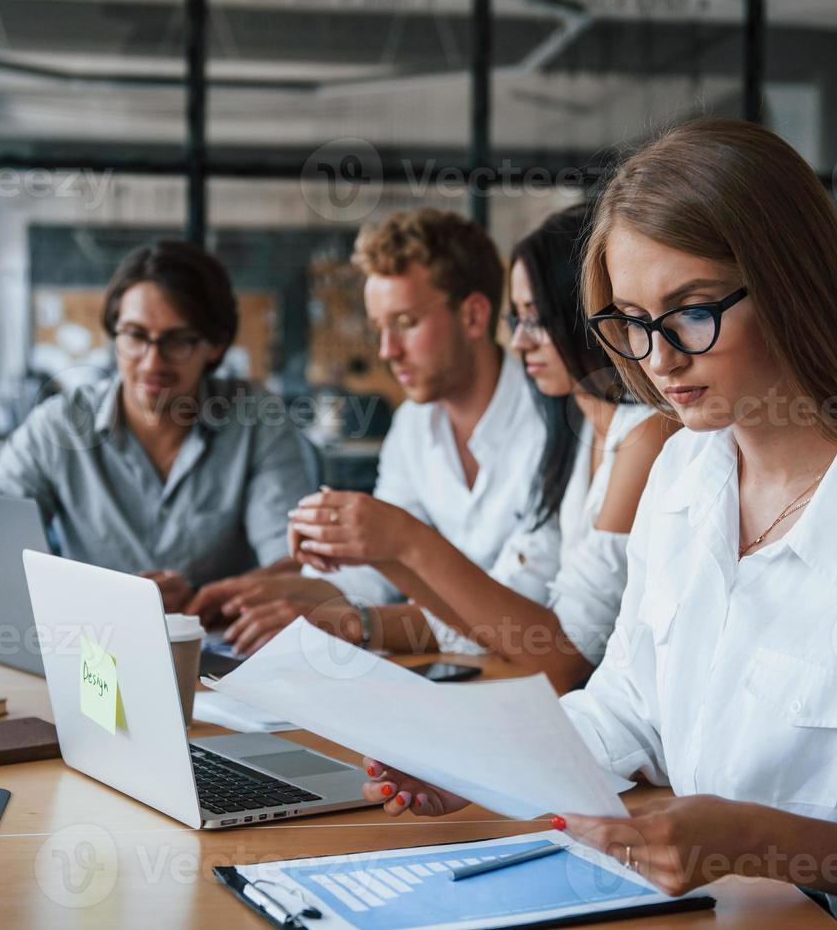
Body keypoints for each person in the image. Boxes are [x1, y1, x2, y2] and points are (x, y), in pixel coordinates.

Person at [357, 119, 837, 929]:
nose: (657, 359)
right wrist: (480, 760)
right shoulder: (685, 475)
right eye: (629, 320)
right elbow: (628, 708)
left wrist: (759, 843)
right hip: (701, 910)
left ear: (795, 289)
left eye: (691, 312)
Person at [284, 205, 675, 691]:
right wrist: (376, 551)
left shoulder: (637, 433)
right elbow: (503, 625)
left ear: (584, 314)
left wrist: (402, 543)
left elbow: (564, 656)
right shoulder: (573, 436)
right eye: (518, 319)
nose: (520, 341)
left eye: (537, 318)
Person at [186, 208, 549, 656]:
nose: (386, 352)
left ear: (474, 316)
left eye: (405, 323)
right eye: (380, 328)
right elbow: (377, 569)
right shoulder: (413, 427)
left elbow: (520, 613)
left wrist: (348, 622)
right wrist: (278, 589)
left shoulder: (551, 426)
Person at [0, 239, 316, 617]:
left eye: (177, 341)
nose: (151, 362)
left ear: (214, 345)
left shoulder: (257, 421)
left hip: (216, 664)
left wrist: (200, 600)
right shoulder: (57, 428)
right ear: (114, 335)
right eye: (135, 336)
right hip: (92, 660)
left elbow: (299, 572)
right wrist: (111, 604)